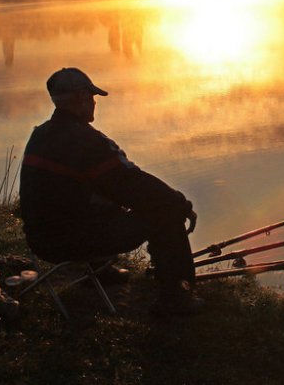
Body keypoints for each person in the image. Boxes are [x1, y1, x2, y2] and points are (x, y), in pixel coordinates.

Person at [19, 67, 202, 314]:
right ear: (83, 98)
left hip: (41, 240)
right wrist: (180, 203)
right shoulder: (89, 142)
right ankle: (177, 297)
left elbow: (115, 185)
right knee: (166, 210)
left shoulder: (39, 135)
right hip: (74, 242)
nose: (94, 103)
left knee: (90, 195)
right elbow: (133, 185)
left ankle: (102, 271)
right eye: (92, 97)